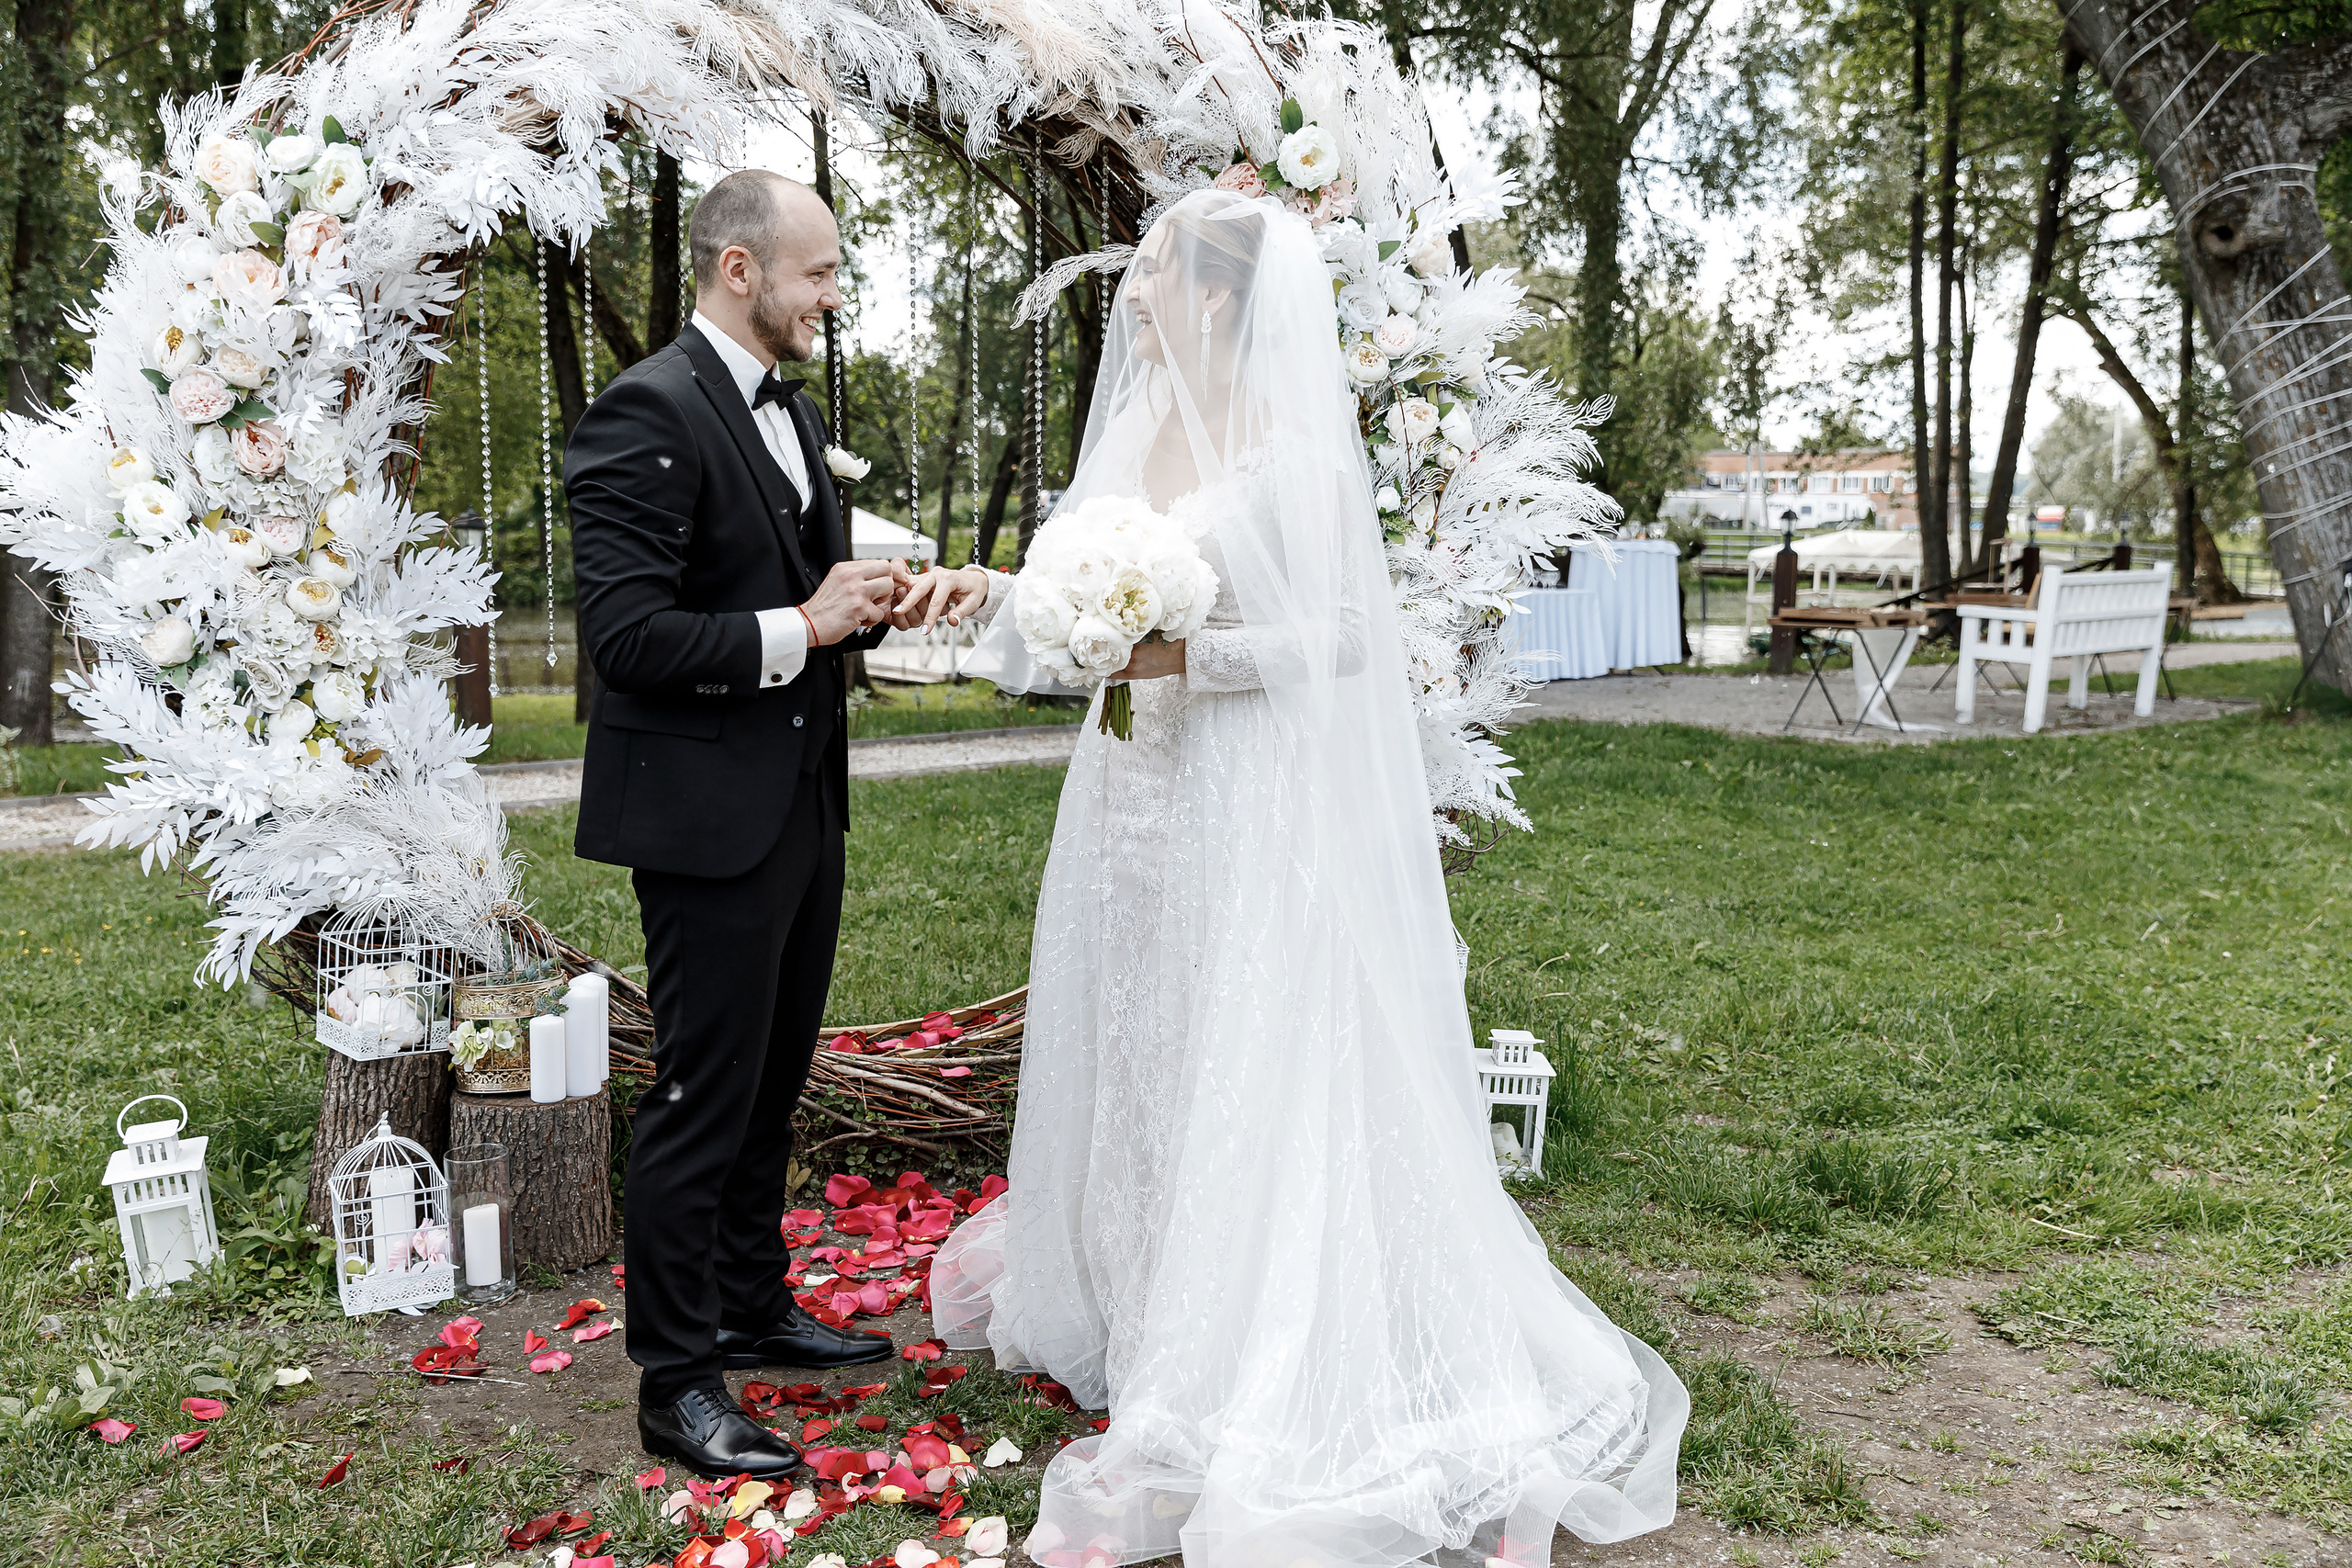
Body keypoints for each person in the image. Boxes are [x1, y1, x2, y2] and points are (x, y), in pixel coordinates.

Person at [897, 188, 1687, 1565]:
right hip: (1127, 795)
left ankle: (1235, 1351)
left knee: (1239, 1050)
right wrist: (1007, 600)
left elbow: (1341, 640)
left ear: (1214, 296)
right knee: (1142, 1039)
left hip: (1241, 794)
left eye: (1149, 275)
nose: (1130, 297)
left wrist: (1187, 655)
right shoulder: (1135, 425)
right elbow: (1066, 600)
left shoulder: (1298, 452)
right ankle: (1146, 1309)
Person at [565, 170, 906, 1483]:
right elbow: (628, 639)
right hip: (705, 820)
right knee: (703, 1095)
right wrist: (801, 627)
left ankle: (752, 1302)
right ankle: (677, 1379)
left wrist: (865, 600)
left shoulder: (788, 410)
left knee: (773, 1077)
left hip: (800, 806)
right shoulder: (643, 410)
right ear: (739, 271)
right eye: (818, 272)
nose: (834, 294)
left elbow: (785, 585)